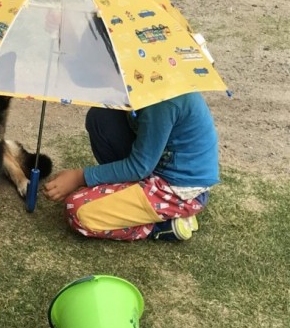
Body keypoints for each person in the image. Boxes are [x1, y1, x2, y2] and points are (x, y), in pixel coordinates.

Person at [42, 92, 219, 241]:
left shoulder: (163, 101)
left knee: (77, 210)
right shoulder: (149, 88)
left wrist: (80, 177)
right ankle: (128, 196)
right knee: (102, 117)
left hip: (177, 189)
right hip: (154, 167)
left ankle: (163, 225)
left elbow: (139, 167)